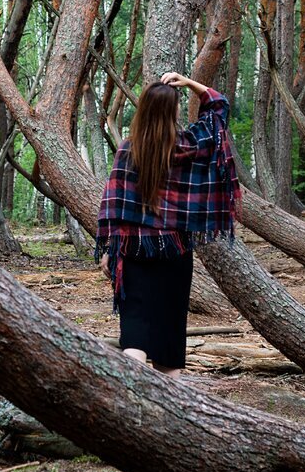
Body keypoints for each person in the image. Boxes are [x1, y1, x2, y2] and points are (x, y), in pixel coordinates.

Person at [96, 71, 241, 376]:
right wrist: (189, 83)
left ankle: (132, 395)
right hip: (174, 249)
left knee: (135, 324)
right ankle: (172, 403)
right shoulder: (188, 146)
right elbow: (219, 109)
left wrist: (110, 248)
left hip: (134, 248)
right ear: (173, 112)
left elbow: (116, 202)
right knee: (169, 327)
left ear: (144, 110)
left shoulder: (128, 149)